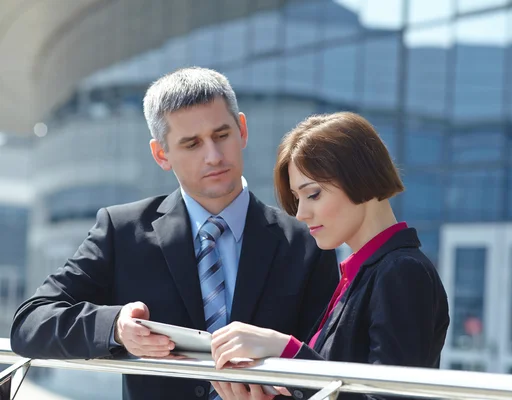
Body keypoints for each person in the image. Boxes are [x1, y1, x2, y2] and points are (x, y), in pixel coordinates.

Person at [10, 68, 339, 400]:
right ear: (161, 154)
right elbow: (30, 322)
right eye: (192, 144)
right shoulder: (122, 231)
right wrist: (116, 327)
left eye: (222, 134)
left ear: (242, 129)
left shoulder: (305, 243)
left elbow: (332, 365)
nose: (214, 156)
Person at [209, 112, 450, 400]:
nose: (300, 214)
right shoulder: (360, 275)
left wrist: (288, 351)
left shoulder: (402, 272)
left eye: (312, 195)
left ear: (361, 177)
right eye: (297, 199)